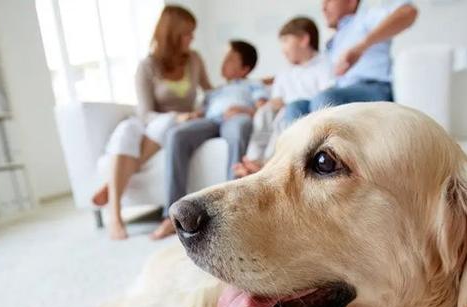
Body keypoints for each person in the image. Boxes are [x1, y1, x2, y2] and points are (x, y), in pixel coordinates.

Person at [91, 5, 212, 240]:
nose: (192, 38)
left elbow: (209, 91)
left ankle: (113, 184)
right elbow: (145, 113)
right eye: (187, 33)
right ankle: (114, 216)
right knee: (125, 129)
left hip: (176, 125)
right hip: (152, 122)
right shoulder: (147, 66)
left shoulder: (194, 60)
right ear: (172, 34)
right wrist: (177, 116)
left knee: (168, 125)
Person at [150, 40, 266, 239]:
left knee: (240, 127)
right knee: (176, 135)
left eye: (230, 59)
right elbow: (201, 111)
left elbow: (263, 106)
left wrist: (244, 110)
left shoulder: (254, 85)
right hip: (210, 120)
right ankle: (170, 216)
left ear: (245, 68)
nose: (224, 62)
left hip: (236, 117)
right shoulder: (214, 92)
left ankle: (232, 209)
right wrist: (194, 115)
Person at [282, 0, 418, 122]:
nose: (323, 7)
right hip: (340, 92)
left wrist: (361, 47)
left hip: (374, 88)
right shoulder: (334, 41)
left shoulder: (365, 19)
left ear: (351, 2)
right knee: (295, 107)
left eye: (329, 0)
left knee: (324, 100)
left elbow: (408, 12)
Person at [234, 16, 333, 178]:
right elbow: (277, 98)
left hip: (304, 112)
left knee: (284, 115)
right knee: (265, 113)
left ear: (304, 40)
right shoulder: (285, 72)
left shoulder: (324, 64)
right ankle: (253, 160)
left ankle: (268, 162)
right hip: (285, 109)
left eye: (286, 41)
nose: (283, 49)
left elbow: (325, 95)